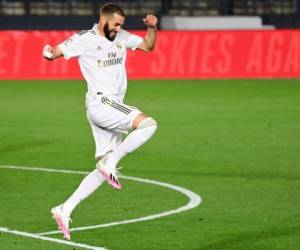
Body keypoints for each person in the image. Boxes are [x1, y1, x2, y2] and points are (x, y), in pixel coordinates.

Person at [42, 3, 158, 240]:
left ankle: (65, 209)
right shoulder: (84, 39)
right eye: (116, 24)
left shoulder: (122, 37)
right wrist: (47, 52)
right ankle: (112, 161)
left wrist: (152, 28)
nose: (118, 28)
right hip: (102, 103)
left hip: (107, 106)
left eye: (121, 25)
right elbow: (54, 53)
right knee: (149, 125)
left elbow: (148, 46)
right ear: (104, 20)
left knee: (103, 165)